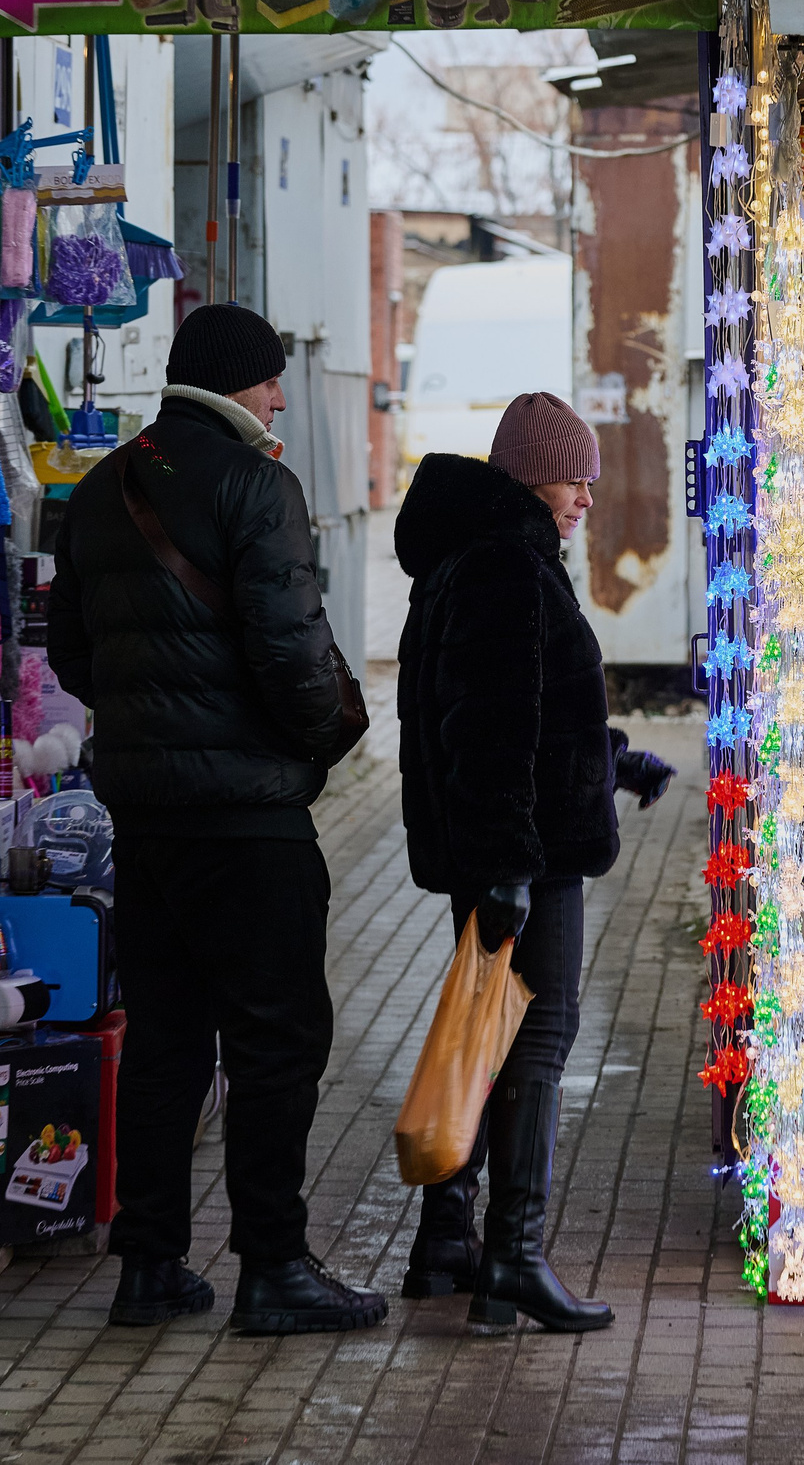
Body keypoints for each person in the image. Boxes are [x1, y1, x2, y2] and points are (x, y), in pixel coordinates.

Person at [48, 304, 380, 1335]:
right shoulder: (257, 485)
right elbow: (292, 656)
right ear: (240, 383)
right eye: (273, 381)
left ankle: (148, 1265)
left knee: (164, 1042)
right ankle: (273, 1268)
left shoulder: (103, 490)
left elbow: (67, 653)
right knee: (277, 1043)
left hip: (145, 821)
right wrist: (317, 745)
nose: (281, 397)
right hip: (248, 823)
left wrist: (148, 732)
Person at [393, 392, 674, 1332]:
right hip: (524, 853)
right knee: (537, 1040)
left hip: (509, 842)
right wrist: (512, 863)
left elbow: (533, 706)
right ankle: (510, 1256)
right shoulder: (506, 563)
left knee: (491, 1030)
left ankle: (445, 1240)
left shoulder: (483, 553)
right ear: (528, 475)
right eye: (573, 477)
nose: (586, 496)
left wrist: (615, 760)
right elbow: (490, 726)